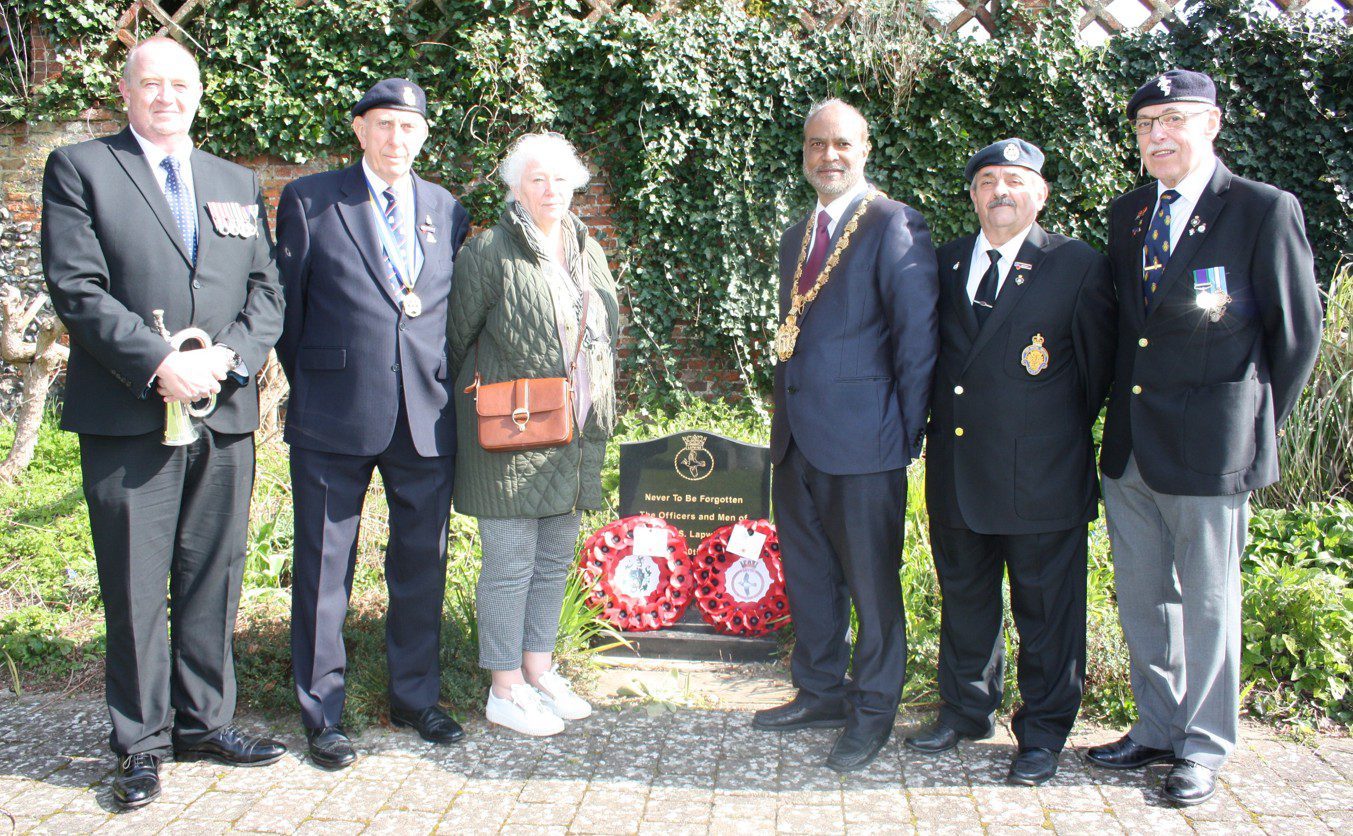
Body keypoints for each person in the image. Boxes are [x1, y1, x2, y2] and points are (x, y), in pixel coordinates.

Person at [41, 36, 286, 808]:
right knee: (136, 582)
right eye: (151, 83)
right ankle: (140, 742)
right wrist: (158, 362)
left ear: (200, 93)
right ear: (127, 91)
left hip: (222, 412)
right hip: (129, 413)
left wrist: (227, 361)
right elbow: (76, 288)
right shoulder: (82, 169)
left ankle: (204, 722)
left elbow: (266, 292)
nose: (166, 96)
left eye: (181, 84)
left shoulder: (235, 181)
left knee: (214, 573)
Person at [1089, 69, 1322, 805]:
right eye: (1144, 123)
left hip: (1210, 443)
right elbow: (1131, 330)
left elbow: (1295, 334)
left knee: (1209, 601)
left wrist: (1249, 422)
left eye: (1173, 120)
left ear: (1210, 124)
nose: (1157, 135)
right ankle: (1155, 727)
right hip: (1131, 443)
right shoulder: (1128, 213)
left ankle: (1203, 745)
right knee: (1141, 596)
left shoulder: (1258, 209)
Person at [904, 139, 1116, 785]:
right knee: (965, 600)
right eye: (988, 180)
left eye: (1015, 180)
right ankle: (967, 709)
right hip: (959, 469)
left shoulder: (1076, 264)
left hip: (1042, 475)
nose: (1001, 190)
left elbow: (1097, 370)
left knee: (1046, 611)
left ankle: (1044, 732)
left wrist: (1043, 433)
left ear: (1040, 194)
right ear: (971, 194)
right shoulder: (941, 264)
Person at [275, 79, 470, 768]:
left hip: (425, 415)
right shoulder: (311, 198)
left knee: (422, 564)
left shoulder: (447, 209)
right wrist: (325, 379)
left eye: (409, 127)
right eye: (383, 125)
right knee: (325, 568)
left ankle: (415, 699)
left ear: (423, 134)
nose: (396, 139)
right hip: (334, 412)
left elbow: (440, 314)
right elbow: (287, 317)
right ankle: (322, 715)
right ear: (359, 130)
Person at [753, 99, 939, 772]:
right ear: (803, 152)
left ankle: (872, 710)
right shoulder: (797, 232)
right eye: (814, 145)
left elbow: (916, 342)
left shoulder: (894, 224)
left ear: (863, 148)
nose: (827, 156)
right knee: (809, 576)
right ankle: (820, 690)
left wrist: (904, 435)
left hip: (865, 442)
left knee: (870, 586)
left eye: (840, 144)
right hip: (797, 437)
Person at [446, 132, 619, 737]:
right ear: (515, 186)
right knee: (509, 564)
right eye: (537, 179)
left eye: (561, 179)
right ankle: (503, 687)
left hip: (574, 434)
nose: (551, 190)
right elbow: (456, 341)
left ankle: (538, 670)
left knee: (551, 561)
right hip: (512, 436)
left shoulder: (586, 250)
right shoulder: (489, 252)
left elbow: (604, 335)